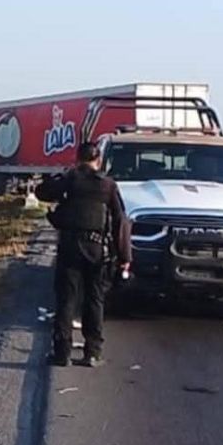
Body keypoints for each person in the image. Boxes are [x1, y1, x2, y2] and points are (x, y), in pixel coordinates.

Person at [35, 142, 131, 367]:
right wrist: (124, 256)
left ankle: (61, 353)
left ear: (78, 159)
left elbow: (42, 192)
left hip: (70, 246)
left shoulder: (70, 179)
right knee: (94, 299)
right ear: (98, 161)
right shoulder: (108, 186)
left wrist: (59, 177)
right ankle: (93, 353)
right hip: (97, 249)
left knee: (66, 299)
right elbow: (120, 221)